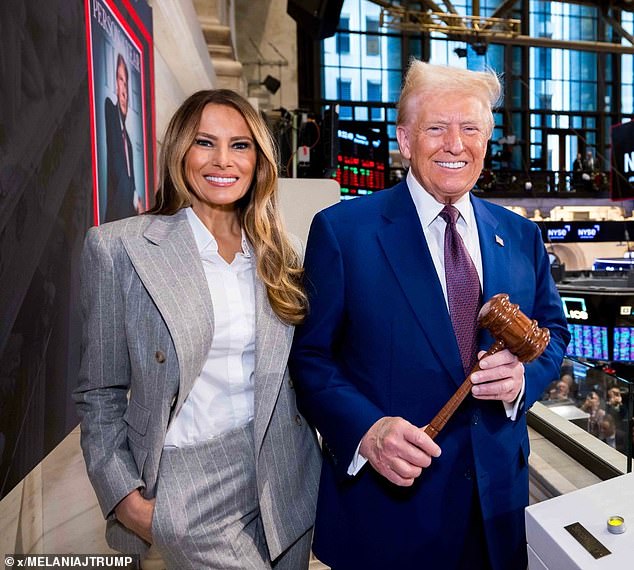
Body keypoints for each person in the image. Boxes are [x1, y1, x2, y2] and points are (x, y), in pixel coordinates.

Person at [289, 60, 569, 570]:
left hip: (498, 509)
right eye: (436, 127)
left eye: (471, 129)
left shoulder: (521, 235)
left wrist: (522, 379)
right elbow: (311, 360)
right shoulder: (343, 232)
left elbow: (556, 334)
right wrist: (368, 430)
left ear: (487, 139)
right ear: (404, 139)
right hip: (390, 512)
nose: (455, 144)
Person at [74, 89, 321, 569]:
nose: (223, 160)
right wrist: (124, 496)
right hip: (189, 482)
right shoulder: (120, 248)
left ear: (260, 160)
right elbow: (99, 392)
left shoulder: (281, 251)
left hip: (285, 474)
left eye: (241, 145)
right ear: (179, 151)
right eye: (205, 142)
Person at [104, 54, 139, 222]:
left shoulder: (130, 144)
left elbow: (130, 184)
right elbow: (119, 176)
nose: (124, 91)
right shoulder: (109, 110)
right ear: (115, 87)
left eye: (126, 83)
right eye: (120, 80)